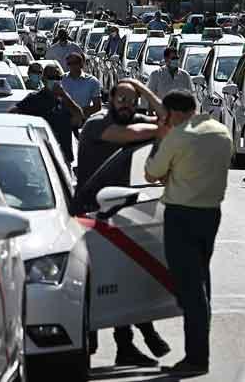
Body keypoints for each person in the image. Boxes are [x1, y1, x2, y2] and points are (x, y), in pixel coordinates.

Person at [77, 78, 171, 366]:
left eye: (132, 102)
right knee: (96, 283)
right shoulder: (97, 125)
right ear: (110, 100)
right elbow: (141, 132)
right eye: (122, 100)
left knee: (125, 277)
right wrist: (159, 126)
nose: (127, 106)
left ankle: (126, 346)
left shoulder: (133, 118)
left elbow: (165, 122)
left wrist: (141, 89)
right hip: (88, 215)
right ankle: (95, 338)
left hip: (118, 210)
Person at [143, 90, 234, 378]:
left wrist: (161, 137)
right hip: (210, 213)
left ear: (174, 113)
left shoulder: (178, 136)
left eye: (165, 115)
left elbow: (151, 172)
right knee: (201, 283)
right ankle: (198, 350)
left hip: (181, 215)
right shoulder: (221, 131)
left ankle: (196, 356)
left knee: (190, 289)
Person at [12, 62, 84, 166]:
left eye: (57, 77)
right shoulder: (34, 98)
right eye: (51, 77)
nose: (55, 80)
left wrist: (64, 95)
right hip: (41, 158)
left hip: (64, 159)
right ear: (44, 79)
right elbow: (13, 113)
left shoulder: (66, 101)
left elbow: (79, 117)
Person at [61, 52, 103, 117]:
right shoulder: (62, 79)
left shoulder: (92, 81)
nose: (72, 66)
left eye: (75, 63)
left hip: (83, 119)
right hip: (64, 117)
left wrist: (80, 113)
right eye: (69, 64)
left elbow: (97, 106)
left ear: (81, 64)